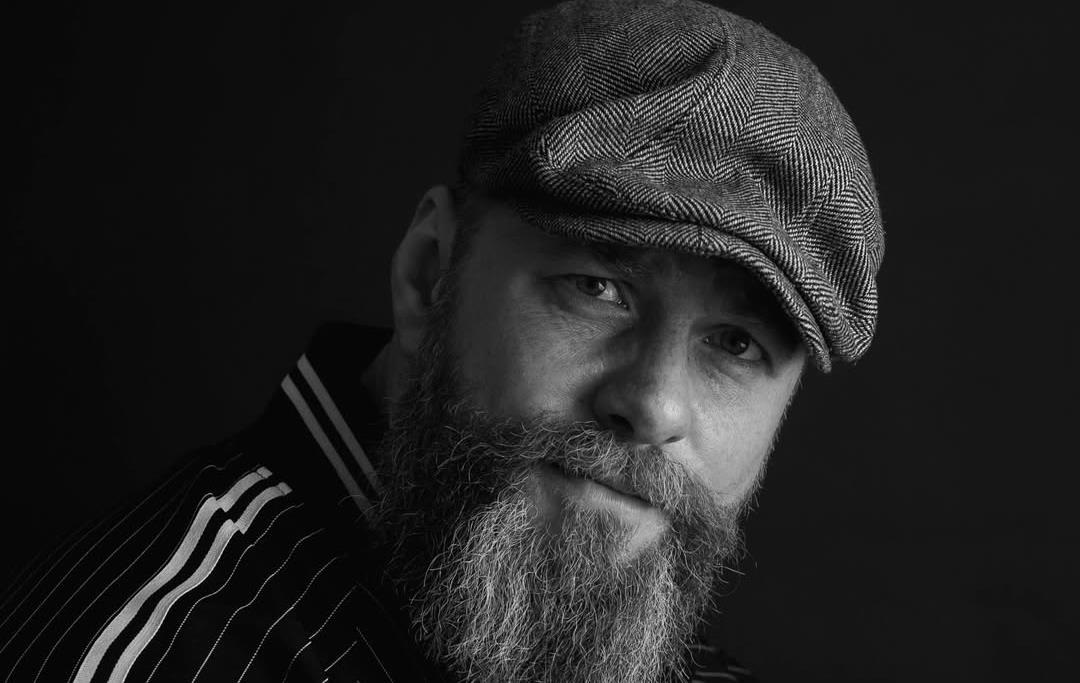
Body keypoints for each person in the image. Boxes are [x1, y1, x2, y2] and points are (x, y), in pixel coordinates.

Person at [0, 0, 885, 680]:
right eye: (599, 287)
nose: (654, 403)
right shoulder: (164, 652)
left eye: (736, 344)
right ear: (430, 274)